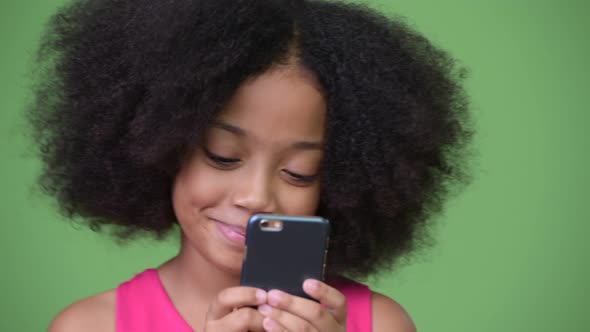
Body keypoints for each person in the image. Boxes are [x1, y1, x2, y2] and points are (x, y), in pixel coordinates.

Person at [28, 0, 471, 331]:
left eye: (299, 172)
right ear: (162, 146)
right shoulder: (90, 326)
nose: (256, 196)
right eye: (222, 155)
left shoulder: (379, 323)